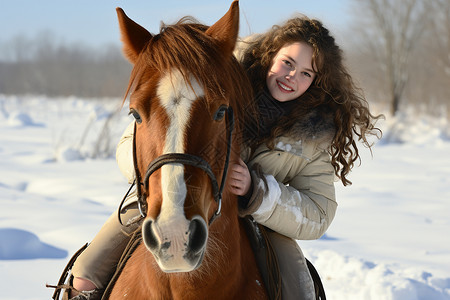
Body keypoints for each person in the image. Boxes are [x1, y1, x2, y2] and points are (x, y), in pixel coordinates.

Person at [66, 15, 382, 300]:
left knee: (301, 289)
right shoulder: (218, 76)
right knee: (84, 274)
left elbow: (318, 214)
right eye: (287, 62)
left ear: (317, 81)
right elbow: (133, 143)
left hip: (263, 222)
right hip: (177, 195)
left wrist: (259, 193)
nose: (292, 76)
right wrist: (158, 171)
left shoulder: (315, 137)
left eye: (306, 73)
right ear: (271, 55)